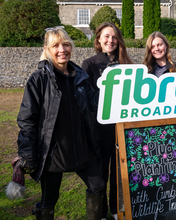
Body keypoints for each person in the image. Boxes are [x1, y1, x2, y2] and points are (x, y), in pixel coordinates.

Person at [16, 27, 104, 220]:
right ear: (47, 49)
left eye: (66, 44)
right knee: (49, 199)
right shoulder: (38, 80)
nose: (62, 49)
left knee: (97, 185)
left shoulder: (80, 77)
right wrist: (28, 154)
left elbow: (97, 103)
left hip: (82, 149)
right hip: (53, 153)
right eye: (56, 45)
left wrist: (117, 89)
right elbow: (27, 119)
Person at [82, 22, 132, 220]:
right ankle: (101, 213)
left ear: (118, 40)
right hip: (100, 129)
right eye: (106, 36)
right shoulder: (90, 64)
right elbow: (86, 98)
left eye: (114, 36)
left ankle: (116, 209)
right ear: (98, 40)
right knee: (101, 171)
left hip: (122, 128)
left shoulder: (128, 65)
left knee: (120, 173)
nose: (110, 40)